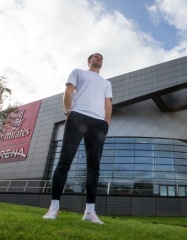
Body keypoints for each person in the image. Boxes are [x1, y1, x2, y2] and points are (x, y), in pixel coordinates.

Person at [43, 53, 112, 224]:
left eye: (101, 57)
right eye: (96, 56)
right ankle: (54, 207)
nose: (99, 58)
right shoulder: (78, 72)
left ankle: (89, 212)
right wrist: (68, 112)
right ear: (89, 61)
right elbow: (69, 90)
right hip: (78, 115)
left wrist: (106, 124)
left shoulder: (106, 83)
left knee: (94, 167)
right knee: (65, 160)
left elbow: (108, 104)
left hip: (98, 123)